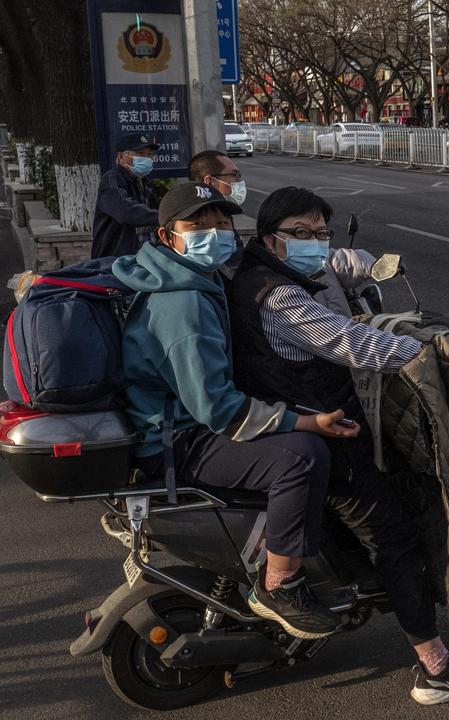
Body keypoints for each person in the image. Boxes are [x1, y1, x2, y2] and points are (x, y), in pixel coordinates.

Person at [227, 186, 449, 706]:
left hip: (303, 421)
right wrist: (430, 354)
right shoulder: (280, 296)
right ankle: (437, 669)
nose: (315, 244)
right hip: (326, 437)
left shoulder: (257, 275)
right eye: (301, 234)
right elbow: (347, 342)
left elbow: (337, 318)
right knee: (395, 540)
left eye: (321, 234)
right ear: (271, 239)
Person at [112, 181, 360, 639]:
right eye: (198, 224)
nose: (215, 231)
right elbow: (218, 410)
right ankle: (279, 585)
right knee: (302, 457)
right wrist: (306, 422)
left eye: (222, 222)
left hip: (183, 425)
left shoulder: (193, 277)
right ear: (168, 236)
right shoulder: (181, 302)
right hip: (178, 440)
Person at [91, 133, 161, 259]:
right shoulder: (112, 179)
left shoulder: (146, 183)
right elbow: (126, 210)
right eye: (140, 153)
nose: (147, 158)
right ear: (121, 157)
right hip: (117, 260)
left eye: (149, 154)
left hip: (147, 257)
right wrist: (164, 215)